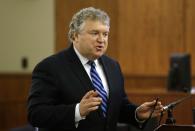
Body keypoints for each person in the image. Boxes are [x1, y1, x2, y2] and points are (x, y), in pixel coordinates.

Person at [27, 7, 164, 131]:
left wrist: (137, 113)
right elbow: (36, 114)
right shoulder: (50, 67)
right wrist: (77, 111)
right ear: (75, 36)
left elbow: (118, 107)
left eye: (105, 34)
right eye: (94, 33)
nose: (101, 40)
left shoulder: (113, 66)